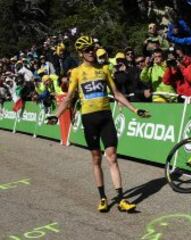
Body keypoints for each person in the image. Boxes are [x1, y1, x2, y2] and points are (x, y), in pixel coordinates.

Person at [46, 36, 150, 213]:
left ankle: (121, 199)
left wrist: (134, 110)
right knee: (96, 159)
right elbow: (69, 98)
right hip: (89, 119)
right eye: (87, 50)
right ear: (81, 54)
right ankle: (102, 197)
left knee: (112, 156)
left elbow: (116, 93)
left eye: (92, 48)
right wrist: (56, 115)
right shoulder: (77, 72)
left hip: (106, 117)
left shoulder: (104, 69)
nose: (91, 52)